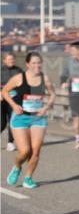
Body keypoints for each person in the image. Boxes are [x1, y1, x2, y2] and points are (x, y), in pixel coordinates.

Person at [3, 52, 56, 189]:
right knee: (25, 151)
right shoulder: (19, 78)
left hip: (38, 117)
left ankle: (28, 178)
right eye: (33, 63)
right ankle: (17, 166)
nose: (37, 65)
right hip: (21, 117)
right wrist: (14, 105)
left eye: (39, 62)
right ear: (27, 64)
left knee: (36, 150)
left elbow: (52, 94)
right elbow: (5, 92)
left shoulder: (45, 78)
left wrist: (46, 107)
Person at [2, 51, 23, 151]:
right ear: (4, 60)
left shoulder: (19, 70)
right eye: (10, 59)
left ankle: (10, 142)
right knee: (2, 123)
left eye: (13, 59)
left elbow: (23, 84)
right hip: (1, 99)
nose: (12, 61)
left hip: (14, 100)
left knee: (12, 121)